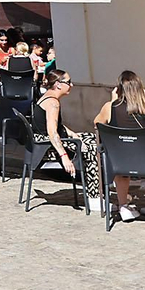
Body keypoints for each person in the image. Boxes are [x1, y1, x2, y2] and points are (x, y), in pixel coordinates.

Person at [94, 69, 145, 222]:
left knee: (122, 167)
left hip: (119, 161)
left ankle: (123, 206)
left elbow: (97, 124)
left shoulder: (109, 108)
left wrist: (113, 100)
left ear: (119, 89)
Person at [35, 68, 103, 212]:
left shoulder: (48, 97)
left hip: (50, 140)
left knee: (93, 138)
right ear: (58, 84)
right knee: (92, 149)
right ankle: (94, 197)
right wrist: (64, 157)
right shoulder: (53, 103)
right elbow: (52, 132)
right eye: (68, 82)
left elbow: (58, 126)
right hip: (48, 146)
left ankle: (102, 185)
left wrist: (73, 134)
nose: (71, 85)